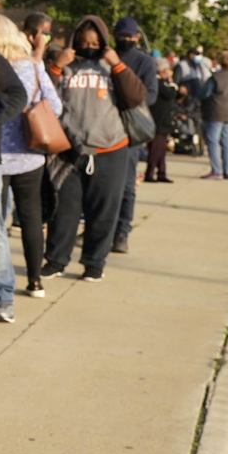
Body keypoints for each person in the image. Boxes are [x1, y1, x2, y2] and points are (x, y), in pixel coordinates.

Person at [43, 16, 147, 282]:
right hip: (69, 149)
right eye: (83, 42)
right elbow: (42, 96)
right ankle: (56, 260)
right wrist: (56, 67)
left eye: (94, 42)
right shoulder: (64, 65)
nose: (89, 46)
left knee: (103, 210)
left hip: (110, 147)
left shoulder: (110, 66)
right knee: (64, 210)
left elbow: (136, 96)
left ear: (103, 42)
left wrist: (117, 64)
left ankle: (94, 263)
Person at [0, 13, 62, 300]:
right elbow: (57, 106)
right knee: (31, 217)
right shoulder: (33, 68)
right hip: (31, 153)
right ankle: (35, 280)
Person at [111, 17, 158, 256]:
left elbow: (150, 95)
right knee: (104, 187)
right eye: (123, 35)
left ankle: (121, 233)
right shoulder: (106, 57)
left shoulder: (145, 62)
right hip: (104, 128)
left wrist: (128, 99)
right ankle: (105, 229)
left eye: (130, 36)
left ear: (137, 37)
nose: (126, 40)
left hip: (129, 130)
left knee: (127, 185)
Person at [201, 51, 228, 180]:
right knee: (227, 141)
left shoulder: (216, 77)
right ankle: (227, 170)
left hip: (216, 112)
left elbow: (205, 94)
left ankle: (216, 170)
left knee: (213, 140)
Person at [147, 59, 179, 183]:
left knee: (161, 148)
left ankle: (161, 172)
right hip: (158, 119)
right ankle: (150, 172)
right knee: (156, 148)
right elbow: (170, 94)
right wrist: (172, 84)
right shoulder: (157, 82)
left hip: (163, 119)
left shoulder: (162, 82)